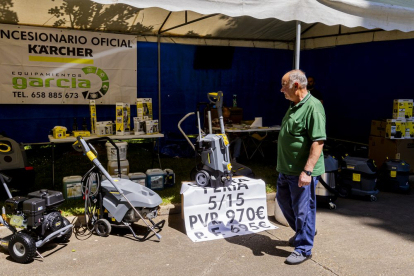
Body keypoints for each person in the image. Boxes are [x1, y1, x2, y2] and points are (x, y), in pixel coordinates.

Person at [276, 70, 326, 265]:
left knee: (303, 209)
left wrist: (307, 171)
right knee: (284, 202)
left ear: (296, 86)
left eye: (284, 85)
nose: (281, 89)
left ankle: (304, 248)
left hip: (301, 171)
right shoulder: (294, 105)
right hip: (286, 169)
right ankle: (304, 231)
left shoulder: (313, 107)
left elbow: (318, 142)